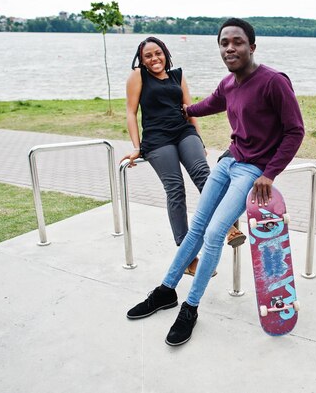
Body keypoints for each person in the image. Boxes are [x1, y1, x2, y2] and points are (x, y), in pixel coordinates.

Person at [126, 18, 305, 346]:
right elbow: (207, 104)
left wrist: (270, 173)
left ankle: (190, 307)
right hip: (228, 162)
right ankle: (166, 290)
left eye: (237, 42)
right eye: (224, 43)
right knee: (196, 229)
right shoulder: (229, 84)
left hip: (252, 171)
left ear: (251, 46)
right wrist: (181, 110)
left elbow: (295, 131)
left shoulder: (273, 82)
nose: (230, 48)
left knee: (213, 233)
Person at [122, 37, 245, 276]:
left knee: (204, 175)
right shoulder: (138, 76)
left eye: (158, 53)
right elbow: (130, 112)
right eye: (148, 56)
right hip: (157, 139)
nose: (154, 58)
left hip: (183, 131)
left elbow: (189, 109)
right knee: (176, 189)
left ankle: (228, 226)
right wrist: (137, 147)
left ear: (165, 54)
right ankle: (188, 257)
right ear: (142, 60)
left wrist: (199, 138)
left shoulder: (177, 75)